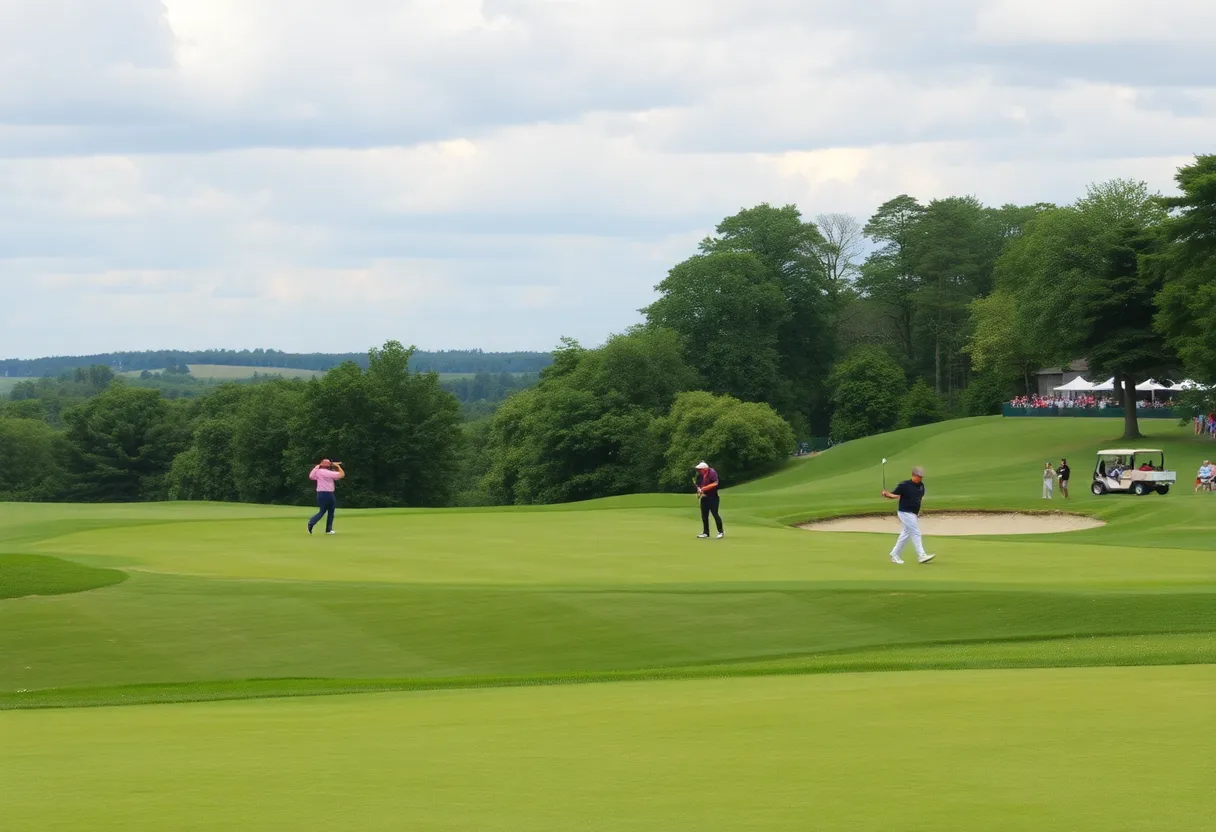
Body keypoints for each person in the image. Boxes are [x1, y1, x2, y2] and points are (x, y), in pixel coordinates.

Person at [880, 466, 935, 565]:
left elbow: (919, 499)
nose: (920, 478)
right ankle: (921, 555)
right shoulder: (904, 485)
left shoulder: (921, 486)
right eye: (919, 476)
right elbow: (895, 495)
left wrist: (918, 511)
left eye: (921, 477)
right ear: (913, 475)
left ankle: (894, 554)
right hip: (904, 512)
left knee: (905, 534)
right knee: (916, 532)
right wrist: (887, 494)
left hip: (913, 513)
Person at [307, 459, 345, 534]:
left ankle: (314, 522)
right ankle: (324, 527)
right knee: (330, 511)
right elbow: (342, 475)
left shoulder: (318, 471)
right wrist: (338, 467)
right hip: (328, 494)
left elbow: (311, 476)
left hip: (320, 494)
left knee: (323, 511)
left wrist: (316, 467)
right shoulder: (327, 472)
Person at [694, 461, 724, 539]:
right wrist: (699, 493)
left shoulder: (712, 472)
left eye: (700, 469)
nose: (699, 471)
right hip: (704, 497)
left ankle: (720, 532)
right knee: (704, 515)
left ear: (705, 469)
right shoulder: (700, 476)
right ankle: (706, 533)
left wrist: (704, 488)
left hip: (713, 497)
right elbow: (699, 487)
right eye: (698, 470)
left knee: (715, 514)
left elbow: (715, 483)